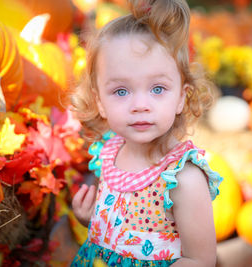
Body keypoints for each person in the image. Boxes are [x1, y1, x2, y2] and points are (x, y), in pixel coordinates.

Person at [70, 0, 223, 266]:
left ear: (181, 99)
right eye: (121, 91)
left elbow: (201, 260)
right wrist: (92, 219)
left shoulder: (182, 178)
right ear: (99, 103)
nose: (140, 105)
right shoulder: (108, 152)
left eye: (157, 89)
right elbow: (119, 231)